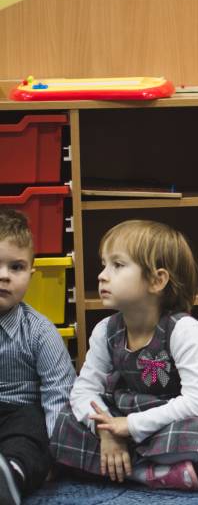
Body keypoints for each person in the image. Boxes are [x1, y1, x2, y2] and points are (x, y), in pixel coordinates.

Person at [50, 220, 198, 490]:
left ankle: (125, 468)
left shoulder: (184, 330)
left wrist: (130, 426)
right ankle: (151, 471)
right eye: (104, 264)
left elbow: (197, 403)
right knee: (65, 420)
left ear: (157, 280)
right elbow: (84, 390)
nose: (102, 275)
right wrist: (106, 431)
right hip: (127, 414)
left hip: (180, 417)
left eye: (117, 265)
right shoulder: (105, 330)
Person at [0, 209, 75, 505]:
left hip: (21, 415)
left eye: (16, 267)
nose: (4, 276)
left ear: (31, 275)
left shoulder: (40, 331)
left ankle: (12, 474)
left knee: (32, 427)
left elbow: (59, 392)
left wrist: (56, 454)